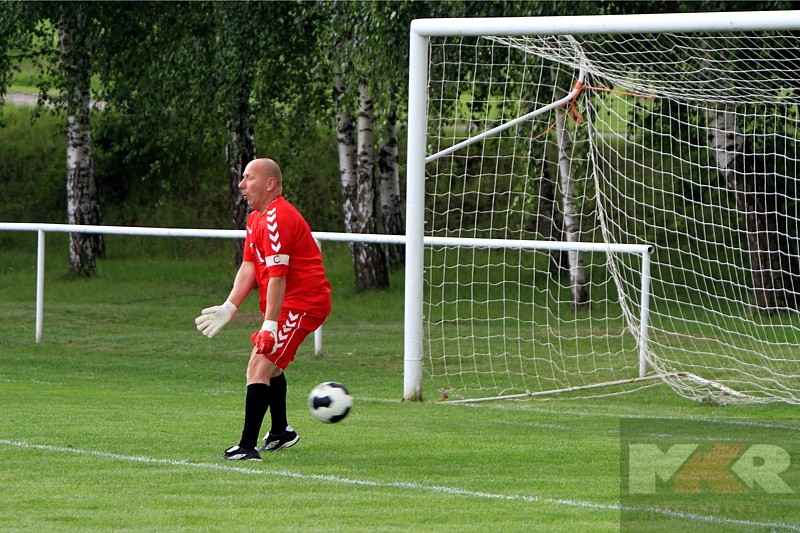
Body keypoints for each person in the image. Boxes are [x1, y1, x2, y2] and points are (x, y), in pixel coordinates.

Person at [194, 158, 332, 461]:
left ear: (270, 183)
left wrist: (270, 326)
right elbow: (248, 266)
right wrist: (230, 306)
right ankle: (281, 431)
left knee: (259, 366)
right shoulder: (257, 218)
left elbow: (278, 277)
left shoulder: (277, 218)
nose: (241, 185)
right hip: (288, 302)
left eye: (249, 178)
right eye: (242, 178)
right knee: (272, 365)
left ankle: (247, 447)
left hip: (304, 303)